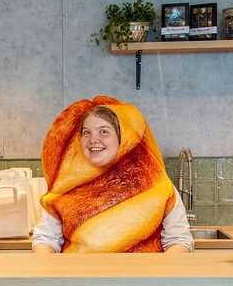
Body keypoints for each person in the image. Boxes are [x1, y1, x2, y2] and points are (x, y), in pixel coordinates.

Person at [32, 96, 193, 253]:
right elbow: (46, 239)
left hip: (141, 279)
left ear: (122, 138)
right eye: (86, 132)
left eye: (104, 131)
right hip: (79, 279)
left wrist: (157, 278)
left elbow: (179, 240)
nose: (93, 139)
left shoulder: (158, 186)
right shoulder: (64, 187)